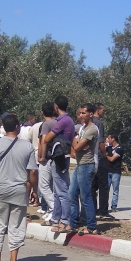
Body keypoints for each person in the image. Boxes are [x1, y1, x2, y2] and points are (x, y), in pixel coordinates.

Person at [0, 114, 39, 261]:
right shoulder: (27, 146)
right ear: (17, 127)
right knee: (16, 225)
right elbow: (33, 172)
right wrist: (35, 191)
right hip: (19, 190)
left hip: (0, 188)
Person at [43, 95, 75, 234]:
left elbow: (47, 138)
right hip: (59, 157)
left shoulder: (63, 121)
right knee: (57, 191)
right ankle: (56, 218)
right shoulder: (66, 120)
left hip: (60, 157)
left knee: (62, 190)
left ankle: (65, 221)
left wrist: (50, 136)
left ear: (56, 106)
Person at [69, 103, 100, 235]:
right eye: (80, 113)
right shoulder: (82, 129)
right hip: (80, 164)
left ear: (91, 114)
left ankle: (92, 226)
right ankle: (74, 223)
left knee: (86, 196)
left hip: (88, 165)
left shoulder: (92, 129)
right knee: (71, 193)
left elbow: (76, 147)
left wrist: (77, 141)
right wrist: (76, 140)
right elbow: (74, 150)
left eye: (83, 113)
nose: (80, 115)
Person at [36, 102, 57, 223]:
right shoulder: (58, 122)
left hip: (47, 157)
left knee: (43, 185)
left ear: (42, 112)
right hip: (56, 157)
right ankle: (50, 209)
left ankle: (53, 208)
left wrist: (41, 156)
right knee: (53, 186)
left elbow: (43, 141)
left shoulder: (46, 124)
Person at [90, 103, 112, 218]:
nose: (104, 112)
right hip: (99, 157)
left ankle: (92, 209)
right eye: (103, 110)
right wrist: (105, 155)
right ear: (97, 110)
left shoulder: (88, 121)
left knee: (93, 186)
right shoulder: (99, 123)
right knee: (104, 186)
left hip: (90, 158)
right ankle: (103, 210)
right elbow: (101, 142)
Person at [104, 133, 124, 212]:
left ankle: (114, 206)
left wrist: (105, 155)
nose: (108, 140)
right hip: (107, 171)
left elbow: (112, 159)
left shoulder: (119, 148)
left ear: (113, 139)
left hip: (116, 171)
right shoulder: (108, 148)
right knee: (106, 190)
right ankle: (104, 207)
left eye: (109, 138)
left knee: (115, 190)